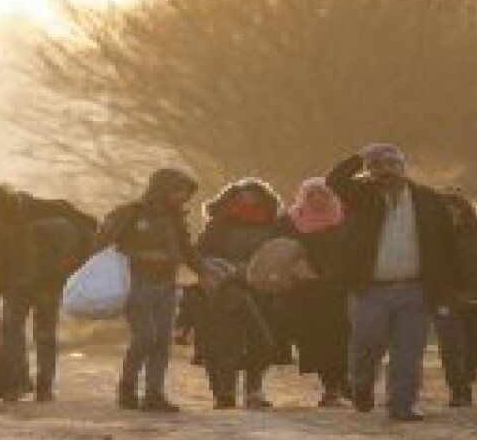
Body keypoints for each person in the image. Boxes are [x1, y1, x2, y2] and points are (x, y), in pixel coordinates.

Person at [327, 144, 459, 422]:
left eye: (391, 163)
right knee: (367, 343)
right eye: (377, 165)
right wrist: (360, 156)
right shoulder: (361, 195)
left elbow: (448, 243)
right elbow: (334, 180)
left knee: (408, 351)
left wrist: (449, 284)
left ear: (402, 167)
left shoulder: (429, 199)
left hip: (416, 289)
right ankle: (361, 382)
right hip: (370, 289)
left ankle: (402, 404)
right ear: (369, 170)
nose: (385, 170)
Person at [0, 182, 97, 402]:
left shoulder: (46, 208)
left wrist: (74, 262)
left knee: (42, 334)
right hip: (15, 284)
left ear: (1, 201)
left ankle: (43, 386)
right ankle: (18, 384)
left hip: (47, 283)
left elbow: (90, 225)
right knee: (13, 333)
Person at [100, 168, 210, 413]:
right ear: (162, 189)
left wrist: (203, 272)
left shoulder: (176, 218)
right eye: (179, 190)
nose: (183, 196)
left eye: (186, 192)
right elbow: (104, 245)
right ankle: (127, 388)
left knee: (161, 341)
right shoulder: (130, 213)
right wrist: (140, 255)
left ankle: (154, 394)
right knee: (145, 336)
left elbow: (187, 249)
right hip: (136, 283)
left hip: (167, 284)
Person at [186, 179, 288, 409]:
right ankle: (224, 393)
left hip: (265, 290)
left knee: (261, 341)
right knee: (223, 343)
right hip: (225, 290)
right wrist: (229, 268)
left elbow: (283, 252)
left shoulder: (274, 225)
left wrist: (267, 270)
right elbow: (201, 256)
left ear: (265, 199)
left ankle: (254, 391)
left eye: (254, 196)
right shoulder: (219, 225)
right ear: (231, 198)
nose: (248, 200)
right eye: (242, 196)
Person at [277, 177, 350, 408]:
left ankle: (341, 383)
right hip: (304, 293)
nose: (317, 199)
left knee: (342, 339)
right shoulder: (289, 221)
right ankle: (331, 388)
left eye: (323, 194)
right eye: (312, 195)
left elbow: (356, 250)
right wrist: (297, 269)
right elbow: (279, 250)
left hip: (340, 291)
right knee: (315, 341)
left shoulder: (345, 219)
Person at [435, 189, 477, 408]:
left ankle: (467, 375)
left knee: (476, 345)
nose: (451, 214)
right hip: (446, 299)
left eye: (454, 209)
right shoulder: (431, 237)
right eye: (445, 210)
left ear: (463, 210)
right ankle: (458, 390)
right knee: (451, 346)